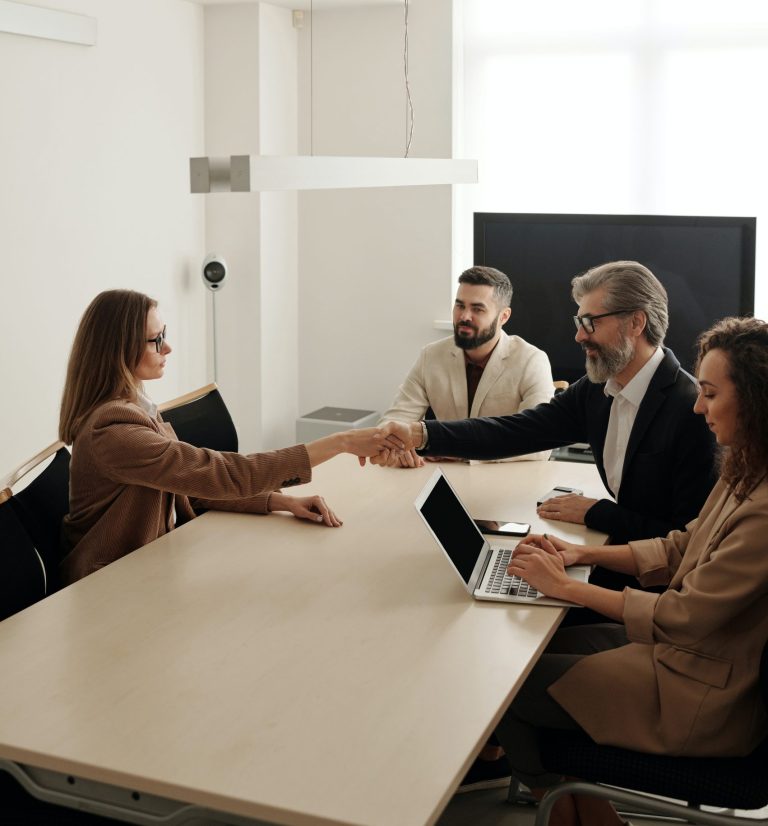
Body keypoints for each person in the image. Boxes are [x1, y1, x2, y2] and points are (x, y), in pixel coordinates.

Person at [495, 315, 768, 825]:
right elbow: (682, 546)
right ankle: (582, 807)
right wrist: (582, 556)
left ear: (754, 401)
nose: (697, 405)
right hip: (688, 658)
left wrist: (563, 589)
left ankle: (569, 807)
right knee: (529, 655)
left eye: (709, 393)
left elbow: (684, 615)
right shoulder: (747, 468)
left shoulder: (763, 508)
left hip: (704, 694)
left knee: (501, 689)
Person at [58, 289, 402, 584]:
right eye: (156, 340)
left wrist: (277, 501)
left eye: (165, 334)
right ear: (118, 349)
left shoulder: (137, 406)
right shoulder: (113, 430)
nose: (168, 348)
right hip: (109, 587)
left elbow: (188, 485)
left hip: (156, 564)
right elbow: (217, 473)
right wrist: (339, 442)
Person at [378, 266, 553, 467]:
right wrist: (398, 447)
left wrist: (461, 451)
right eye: (460, 306)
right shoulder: (431, 355)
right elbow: (392, 422)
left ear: (504, 317)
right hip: (441, 479)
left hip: (505, 482)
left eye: (477, 309)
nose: (464, 316)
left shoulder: (531, 360)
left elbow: (541, 441)